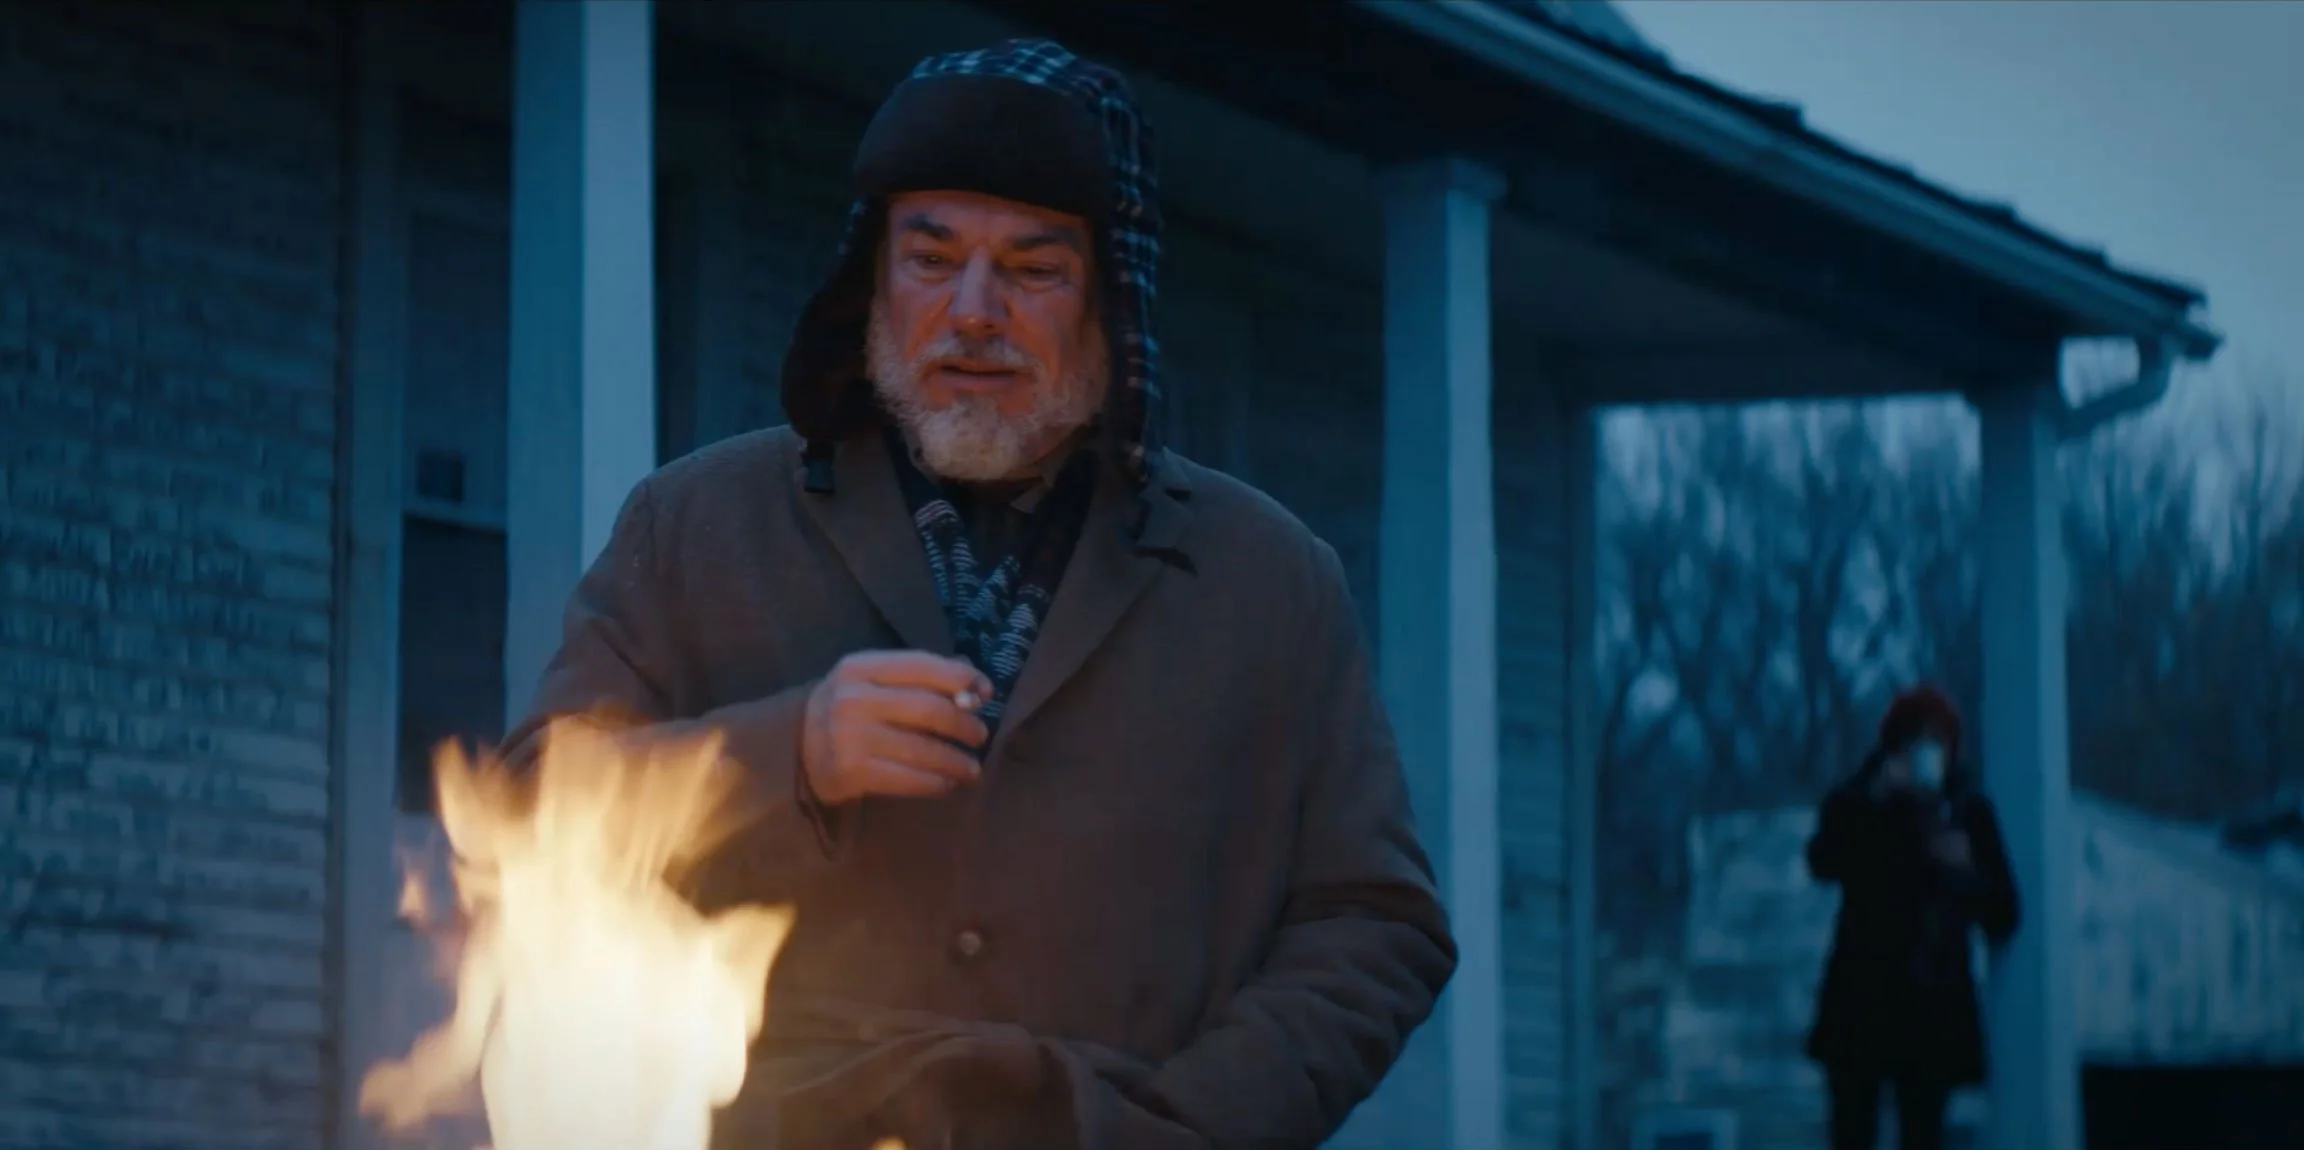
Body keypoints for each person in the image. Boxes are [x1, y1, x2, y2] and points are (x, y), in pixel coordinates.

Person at [501, 38, 1455, 1150]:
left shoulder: (1269, 581)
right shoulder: (699, 526)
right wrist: (791, 751)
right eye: (931, 254)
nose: (973, 310)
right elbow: (527, 816)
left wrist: (1193, 1125)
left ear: (1111, 301)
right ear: (873, 276)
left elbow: (1375, 923)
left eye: (1034, 269)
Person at [1803, 686, 2020, 1150]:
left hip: (1931, 1007)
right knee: (1851, 1131)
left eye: (1936, 743)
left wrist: (1961, 869)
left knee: (1923, 1133)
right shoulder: (1860, 800)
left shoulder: (1966, 812)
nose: (1925, 755)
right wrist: (1876, 798)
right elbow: (1822, 860)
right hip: (1860, 1001)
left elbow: (2004, 912)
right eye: (1913, 742)